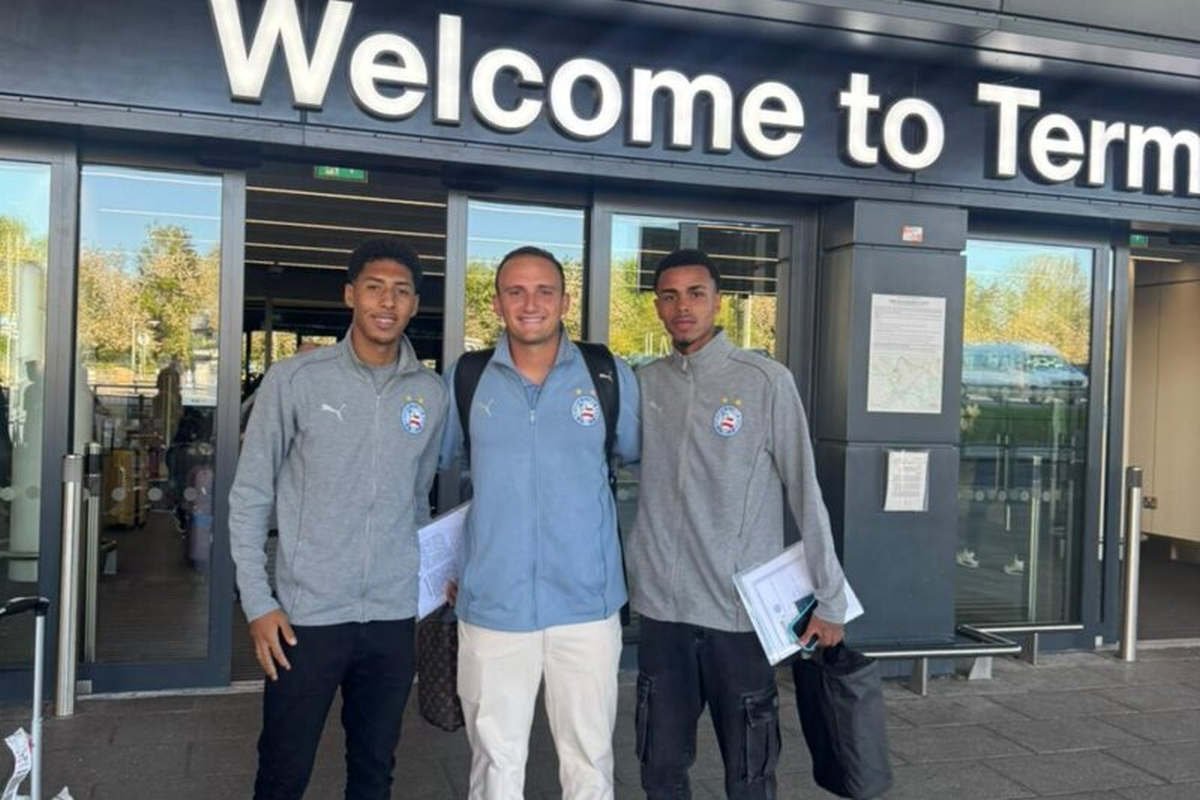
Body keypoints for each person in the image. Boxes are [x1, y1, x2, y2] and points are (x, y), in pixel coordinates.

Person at [627, 248, 850, 800]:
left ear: (718, 301)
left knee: (750, 776)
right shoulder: (643, 384)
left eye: (696, 294)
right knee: (659, 773)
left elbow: (805, 488)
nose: (684, 307)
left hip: (739, 619)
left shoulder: (766, 381)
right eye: (670, 296)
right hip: (662, 615)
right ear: (657, 307)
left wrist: (831, 598)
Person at [229, 237, 446, 800]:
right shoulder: (296, 379)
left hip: (392, 619)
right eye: (374, 288)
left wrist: (424, 583)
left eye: (401, 292)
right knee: (282, 770)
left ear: (415, 305)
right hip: (305, 618)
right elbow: (250, 493)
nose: (387, 302)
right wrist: (259, 602)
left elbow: (417, 500)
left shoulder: (431, 393)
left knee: (374, 772)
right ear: (351, 295)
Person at [441, 245, 640, 799]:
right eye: (516, 291)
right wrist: (452, 563)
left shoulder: (608, 376)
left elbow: (639, 459)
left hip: (588, 604)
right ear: (498, 302)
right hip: (493, 606)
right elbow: (433, 474)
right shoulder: (468, 378)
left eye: (544, 291)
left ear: (565, 300)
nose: (531, 303)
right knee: (496, 761)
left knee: (589, 760)